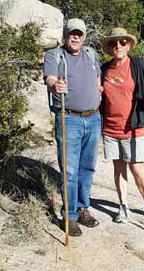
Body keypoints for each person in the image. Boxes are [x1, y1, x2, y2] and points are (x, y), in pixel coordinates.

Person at [43, 18, 101, 237]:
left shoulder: (91, 54)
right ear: (65, 35)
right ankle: (70, 215)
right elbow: (49, 78)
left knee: (87, 168)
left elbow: (97, 80)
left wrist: (98, 94)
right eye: (71, 33)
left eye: (79, 34)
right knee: (69, 170)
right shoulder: (54, 55)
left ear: (84, 37)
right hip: (69, 119)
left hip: (94, 118)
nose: (75, 37)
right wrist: (55, 86)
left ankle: (83, 208)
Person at [100, 27, 144, 223]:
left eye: (122, 42)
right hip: (111, 128)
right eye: (113, 43)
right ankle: (123, 206)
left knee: (136, 166)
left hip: (135, 127)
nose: (118, 46)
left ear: (128, 46)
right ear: (109, 48)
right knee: (119, 168)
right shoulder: (104, 70)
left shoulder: (138, 65)